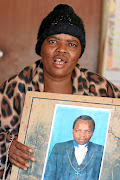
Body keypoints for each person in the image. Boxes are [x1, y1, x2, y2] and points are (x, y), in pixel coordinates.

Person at [0, 3, 120, 179]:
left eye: (72, 44)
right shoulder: (14, 87)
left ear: (79, 52)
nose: (62, 49)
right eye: (53, 41)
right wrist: (7, 147)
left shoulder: (101, 90)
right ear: (41, 48)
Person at [44, 115, 103, 180]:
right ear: (73, 131)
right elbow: (49, 175)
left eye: (87, 131)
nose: (82, 135)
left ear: (92, 133)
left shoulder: (101, 150)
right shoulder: (59, 148)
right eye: (78, 130)